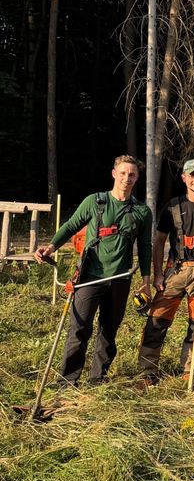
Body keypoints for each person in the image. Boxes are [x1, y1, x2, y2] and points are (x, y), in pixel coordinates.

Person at [34, 155, 152, 386]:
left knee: (109, 330)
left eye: (132, 174)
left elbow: (145, 247)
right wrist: (51, 247)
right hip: (89, 277)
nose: (126, 178)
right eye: (123, 173)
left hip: (120, 278)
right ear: (114, 174)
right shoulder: (95, 202)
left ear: (137, 178)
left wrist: (146, 281)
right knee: (79, 328)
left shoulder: (142, 212)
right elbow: (71, 226)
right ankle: (68, 380)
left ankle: (98, 378)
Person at [136, 159, 194, 383]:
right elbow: (159, 241)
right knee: (157, 320)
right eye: (192, 175)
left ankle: (188, 371)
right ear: (184, 178)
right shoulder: (172, 206)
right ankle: (147, 371)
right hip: (175, 270)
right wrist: (158, 274)